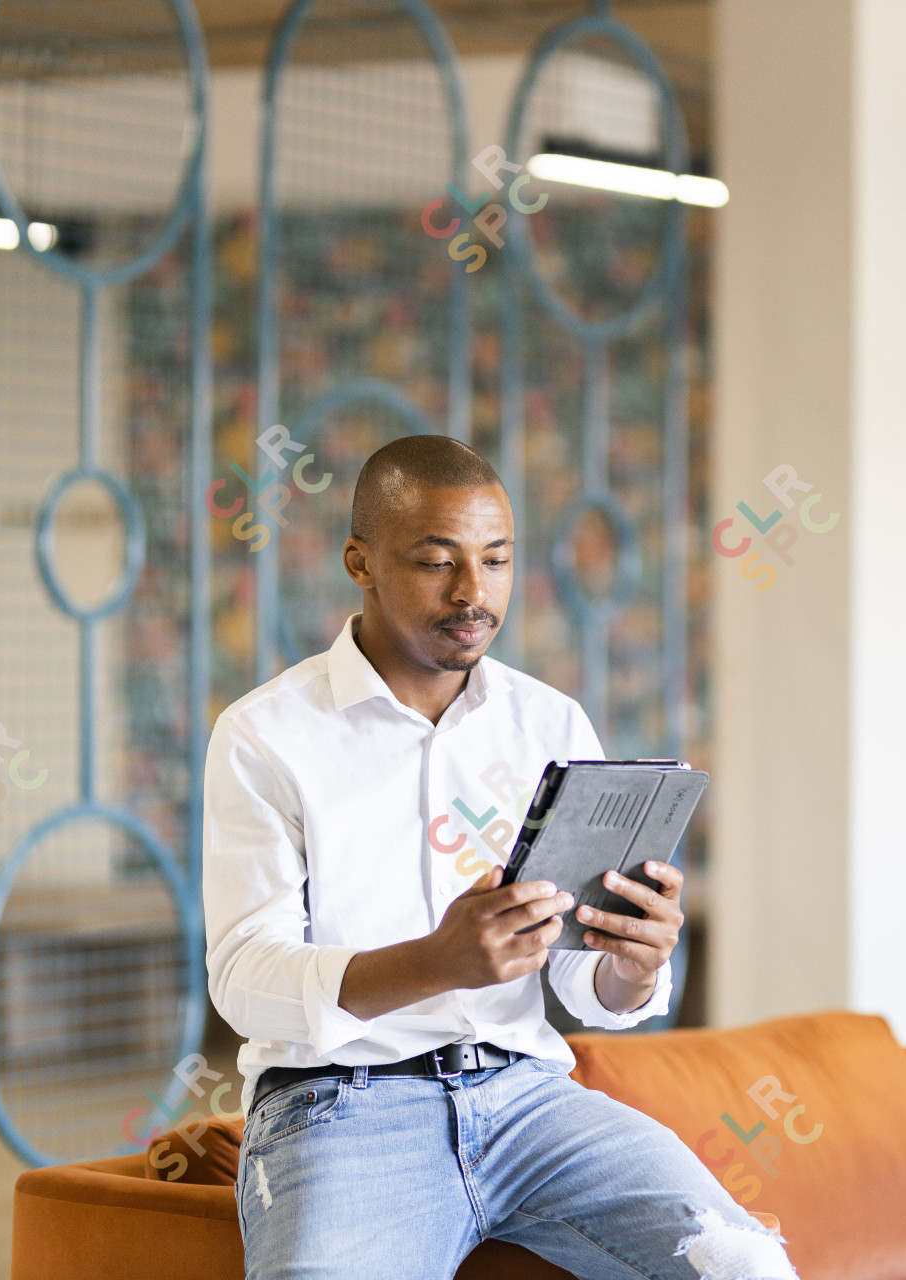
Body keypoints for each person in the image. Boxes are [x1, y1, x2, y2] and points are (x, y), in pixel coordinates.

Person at [203, 435, 798, 1279]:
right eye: (437, 562)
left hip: (528, 1100)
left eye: (496, 560)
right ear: (360, 562)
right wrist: (434, 963)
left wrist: (631, 964)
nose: (473, 594)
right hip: (340, 1107)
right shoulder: (266, 736)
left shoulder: (548, 723)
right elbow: (245, 982)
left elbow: (573, 971)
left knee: (747, 1266)